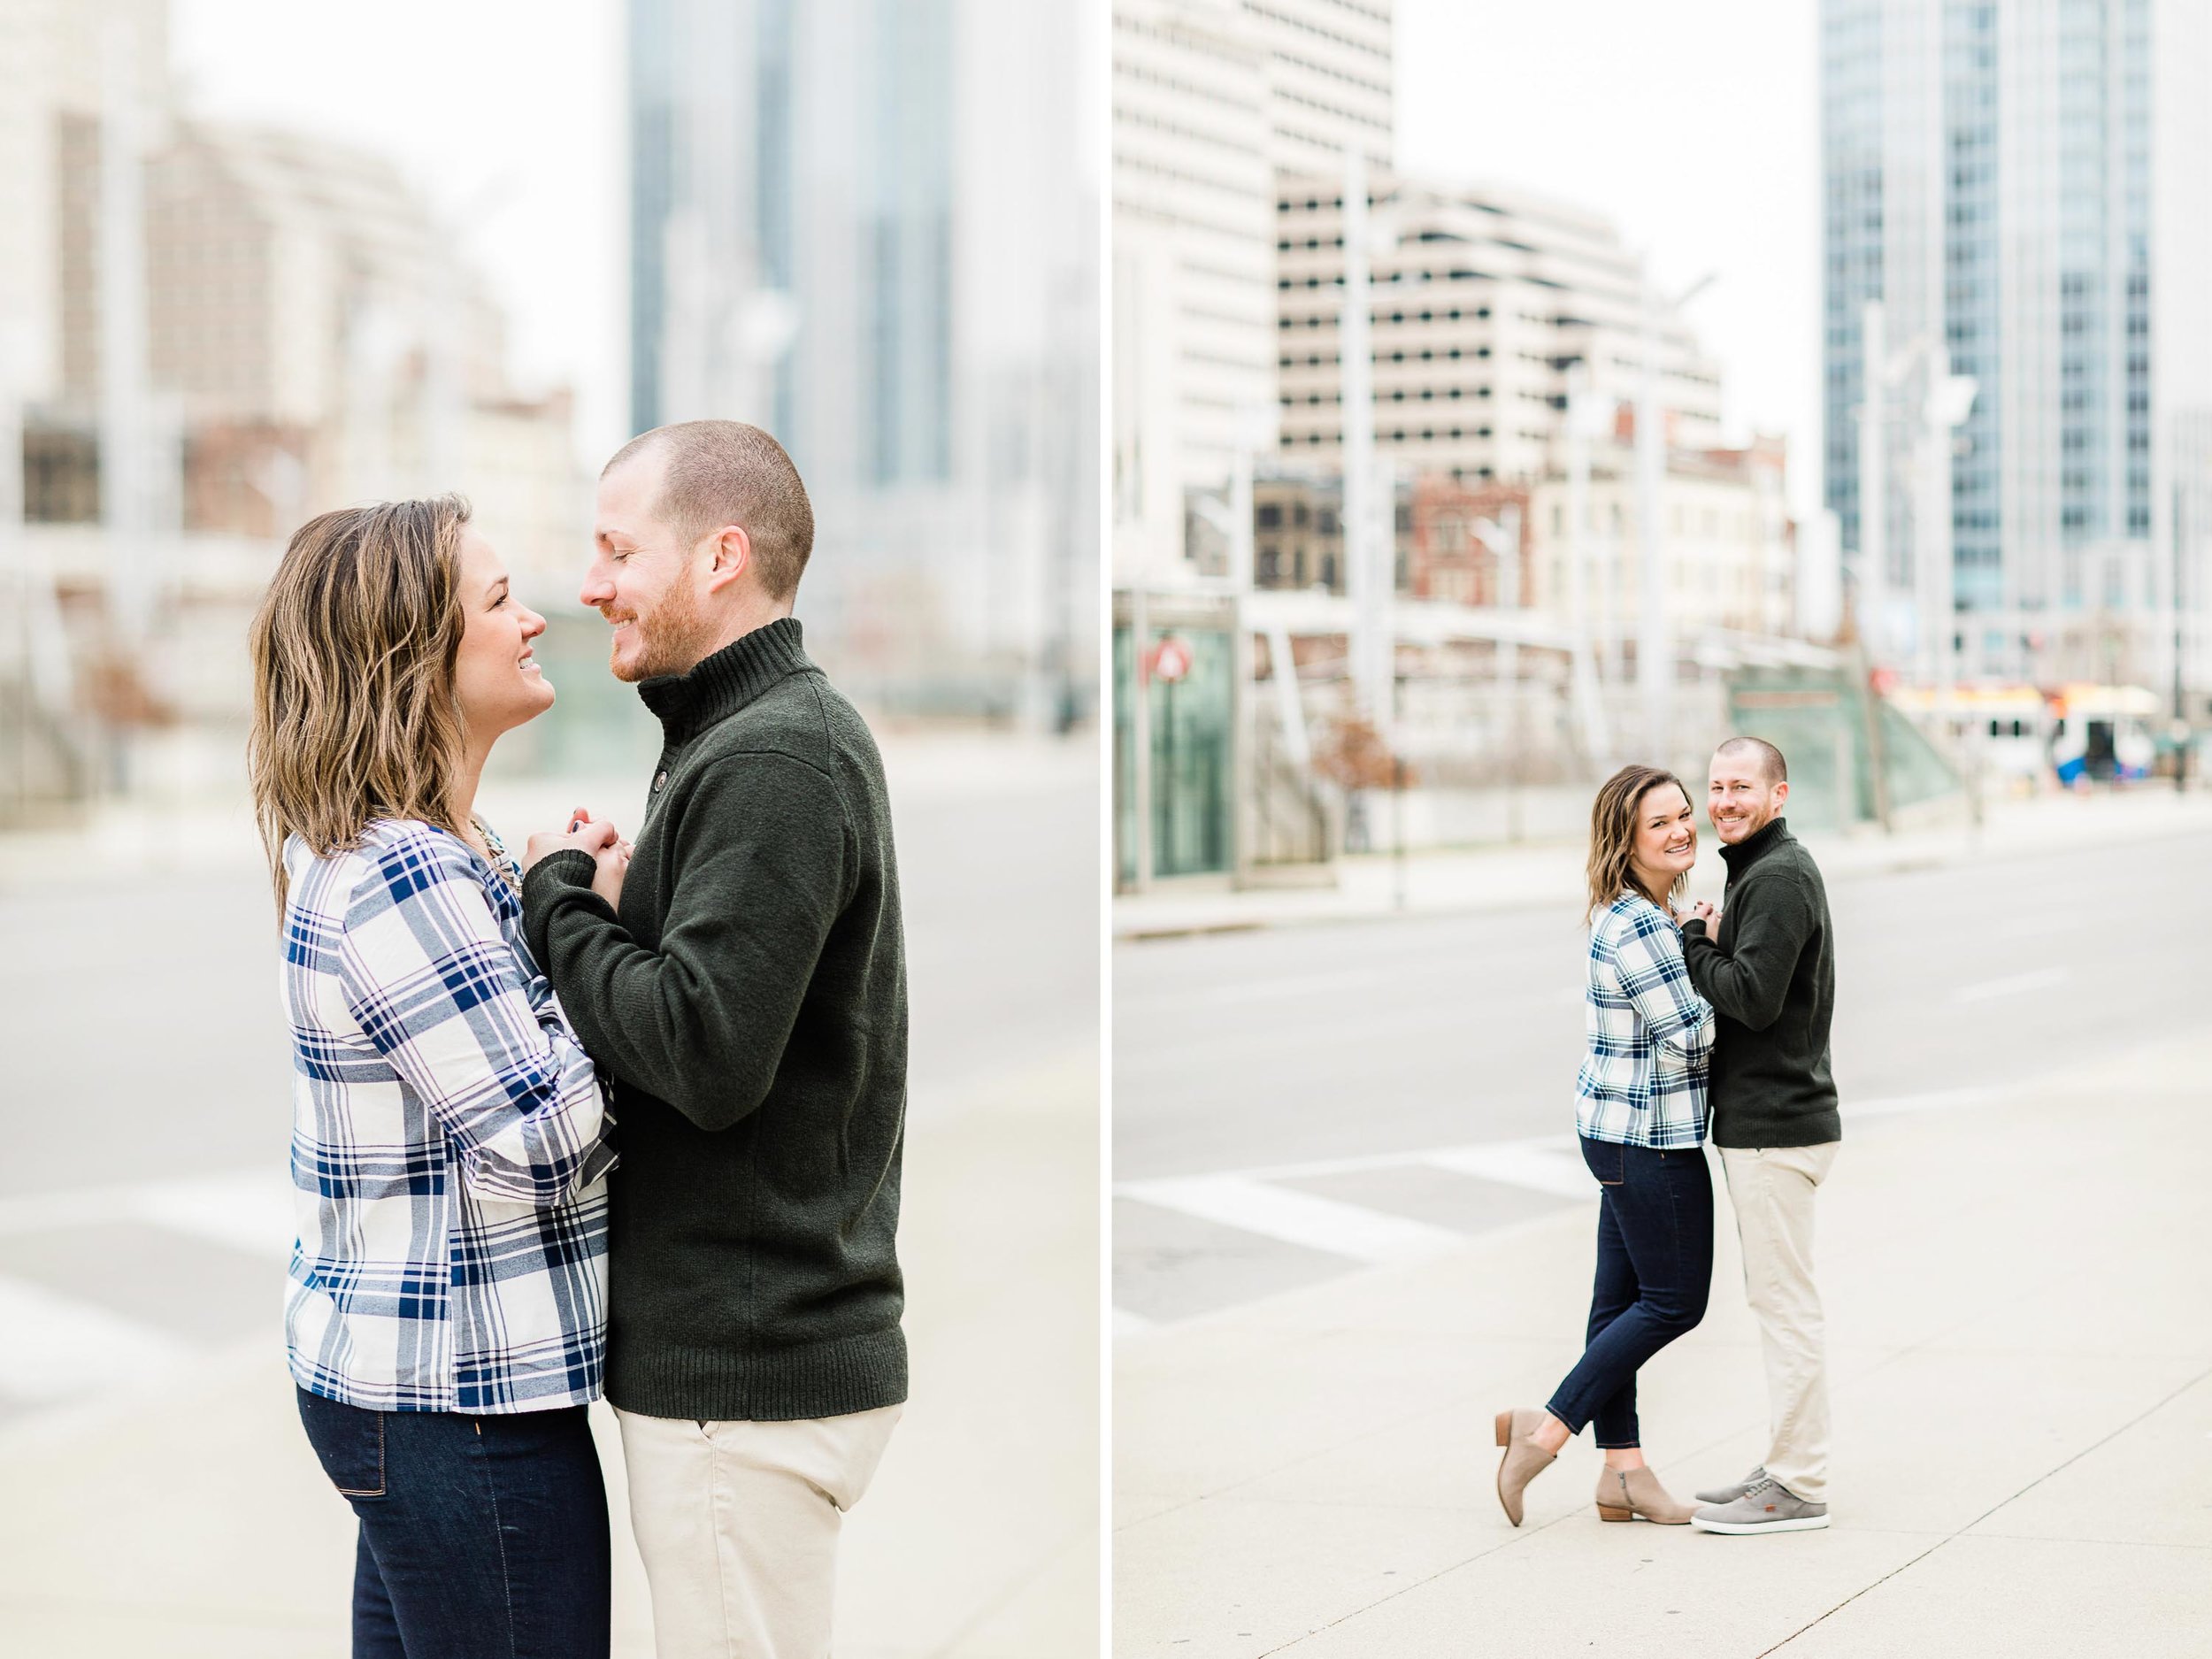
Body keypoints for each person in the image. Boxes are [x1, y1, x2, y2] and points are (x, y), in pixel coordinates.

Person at [520, 419, 908, 1658]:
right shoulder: (739, 740)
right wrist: (634, 909)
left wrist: (561, 902)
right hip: (742, 1367)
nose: (588, 585)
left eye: (617, 548)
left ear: (720, 556)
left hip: (741, 1379)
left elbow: (703, 1048)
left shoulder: (779, 754)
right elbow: (735, 1004)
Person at [248, 496, 620, 1659]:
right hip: (463, 1407)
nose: (537, 619)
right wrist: (607, 954)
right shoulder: (400, 870)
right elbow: (547, 1135)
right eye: (501, 600)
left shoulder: (434, 843)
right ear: (417, 654)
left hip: (415, 1394)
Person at [1494, 764, 1717, 1528]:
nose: (1682, 828)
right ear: (1626, 840)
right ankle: (1546, 1431)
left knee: (1617, 1304)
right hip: (1650, 1138)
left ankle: (1624, 1473)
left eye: (1684, 814)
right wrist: (1718, 963)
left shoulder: (1629, 912)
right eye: (1659, 823)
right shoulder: (1646, 924)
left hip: (1616, 1132)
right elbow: (1690, 1037)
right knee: (1674, 1301)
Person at [1679, 736, 1839, 1536]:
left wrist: (1695, 944)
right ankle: (1784, 1464)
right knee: (1780, 1301)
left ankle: (1799, 1484)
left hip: (1776, 1128)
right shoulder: (1760, 872)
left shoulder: (1776, 877)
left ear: (1779, 795)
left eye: (1741, 787)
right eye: (1715, 787)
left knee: (1785, 1309)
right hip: (1769, 1125)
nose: (1724, 801)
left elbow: (1752, 998)